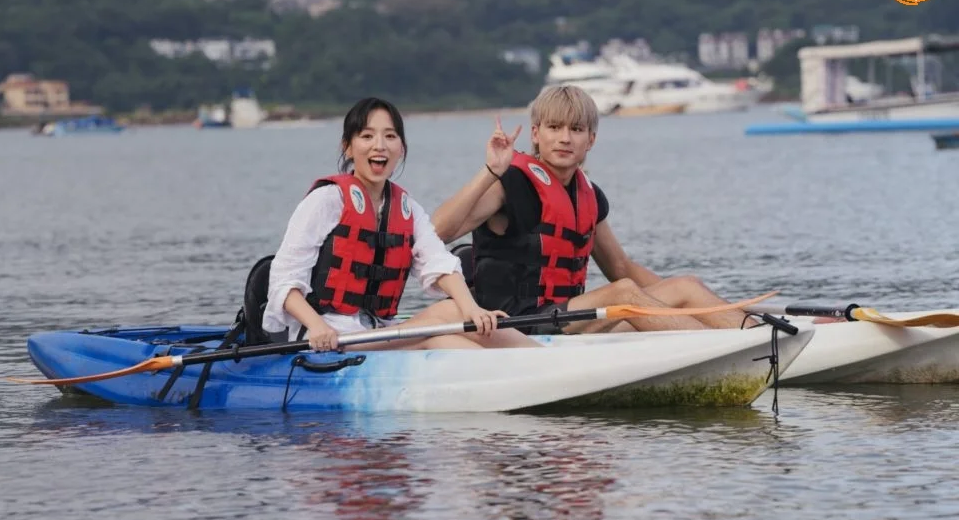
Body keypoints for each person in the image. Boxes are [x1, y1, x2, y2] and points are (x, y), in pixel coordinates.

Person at [432, 84, 754, 335]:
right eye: (554, 128)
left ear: (591, 140)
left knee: (686, 286)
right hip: (517, 323)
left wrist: (678, 300)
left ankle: (761, 337)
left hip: (567, 320)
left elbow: (621, 268)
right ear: (536, 134)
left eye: (576, 129)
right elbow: (437, 232)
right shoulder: (509, 183)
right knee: (623, 294)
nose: (565, 138)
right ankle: (720, 350)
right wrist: (490, 171)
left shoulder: (588, 196)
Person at [261, 97, 542, 352]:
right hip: (329, 337)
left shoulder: (408, 210)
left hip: (379, 332)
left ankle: (535, 363)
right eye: (367, 136)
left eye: (390, 136)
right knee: (443, 324)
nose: (379, 145)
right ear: (348, 147)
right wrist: (317, 326)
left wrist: (473, 310)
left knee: (449, 325)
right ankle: (536, 363)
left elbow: (438, 262)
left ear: (401, 149)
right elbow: (283, 280)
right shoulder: (326, 200)